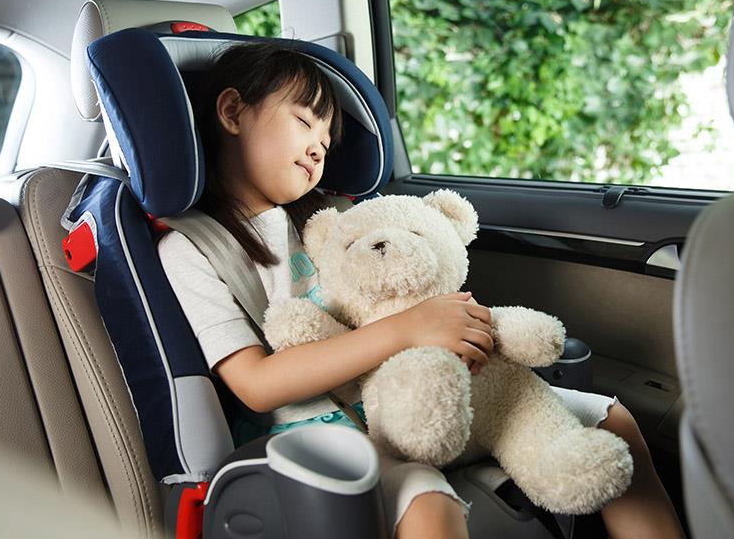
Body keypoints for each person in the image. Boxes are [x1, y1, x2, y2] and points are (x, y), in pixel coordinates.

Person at [158, 41, 685, 539]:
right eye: (303, 122)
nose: (318, 149)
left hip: (416, 390)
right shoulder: (194, 249)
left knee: (611, 418)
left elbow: (404, 297)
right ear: (232, 113)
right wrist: (408, 329)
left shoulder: (334, 220)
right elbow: (254, 384)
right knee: (428, 500)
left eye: (326, 141)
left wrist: (457, 329)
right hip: (321, 433)